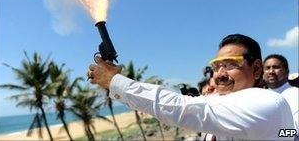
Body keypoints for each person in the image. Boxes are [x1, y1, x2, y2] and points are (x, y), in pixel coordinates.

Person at [88, 34, 295, 140]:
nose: (220, 74)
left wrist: (116, 82)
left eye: (230, 64)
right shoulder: (220, 102)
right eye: (216, 66)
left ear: (256, 69)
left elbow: (183, 108)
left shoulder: (269, 103)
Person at [263, 54, 299, 137]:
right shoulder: (260, 96)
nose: (271, 71)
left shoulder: (296, 94)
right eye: (267, 68)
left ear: (287, 72)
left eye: (276, 67)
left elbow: (294, 131)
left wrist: (268, 135)